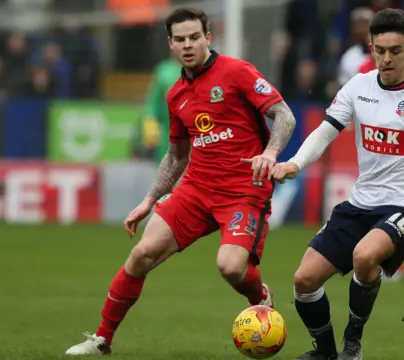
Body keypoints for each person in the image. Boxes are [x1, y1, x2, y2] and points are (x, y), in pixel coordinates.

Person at [65, 7, 296, 356]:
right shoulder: (175, 94)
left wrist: (271, 151)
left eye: (194, 37)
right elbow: (175, 155)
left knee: (230, 267)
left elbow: (284, 114)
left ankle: (260, 298)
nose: (188, 45)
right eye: (180, 39)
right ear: (170, 44)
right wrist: (148, 199)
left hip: (243, 191)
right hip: (196, 189)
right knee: (141, 254)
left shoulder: (237, 72)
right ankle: (102, 340)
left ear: (208, 37)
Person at [271, 9, 404, 360]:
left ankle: (353, 341)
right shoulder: (358, 86)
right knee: (304, 280)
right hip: (360, 202)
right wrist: (294, 162)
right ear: (371, 48)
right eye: (379, 50)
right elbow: (325, 131)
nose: (386, 58)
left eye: (395, 51)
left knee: (364, 255)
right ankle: (325, 351)